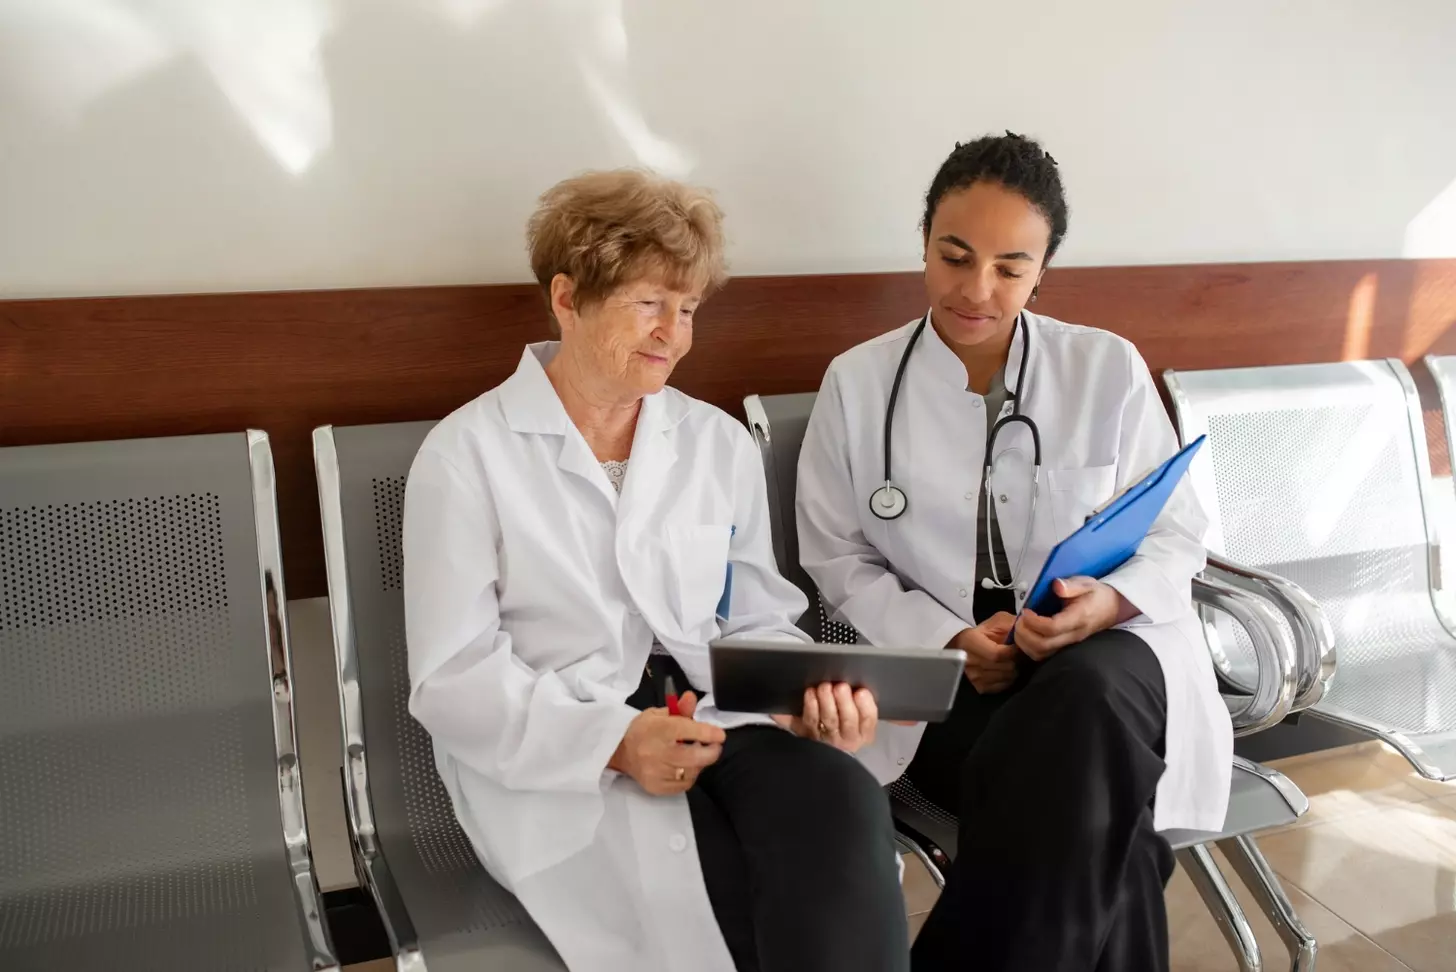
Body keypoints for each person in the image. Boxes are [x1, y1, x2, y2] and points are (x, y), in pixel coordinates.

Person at [402, 169, 909, 972]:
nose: (673, 333)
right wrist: (612, 742)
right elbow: (452, 676)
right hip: (564, 744)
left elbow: (754, 620)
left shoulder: (714, 443)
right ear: (567, 298)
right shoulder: (466, 456)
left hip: (718, 710)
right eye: (648, 303)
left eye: (690, 309)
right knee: (716, 883)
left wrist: (800, 698)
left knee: (839, 804)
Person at [796, 133, 1233, 972]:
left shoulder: (1104, 367)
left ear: (1044, 270)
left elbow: (1178, 533)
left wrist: (1107, 603)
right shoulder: (858, 382)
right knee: (1110, 835)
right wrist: (947, 639)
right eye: (954, 256)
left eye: (1009, 265)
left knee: (1088, 696)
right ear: (923, 242)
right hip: (965, 686)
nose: (976, 289)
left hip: (1115, 652)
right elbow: (836, 551)